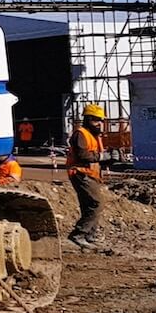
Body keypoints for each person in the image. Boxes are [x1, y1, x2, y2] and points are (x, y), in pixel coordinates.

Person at [67, 103, 110, 249]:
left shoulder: (94, 135)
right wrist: (102, 157)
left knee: (89, 205)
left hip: (90, 174)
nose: (99, 123)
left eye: (101, 120)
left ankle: (89, 235)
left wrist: (108, 158)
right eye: (96, 120)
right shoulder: (81, 134)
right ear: (88, 119)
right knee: (96, 203)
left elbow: (95, 157)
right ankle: (79, 234)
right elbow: (83, 155)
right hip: (80, 173)